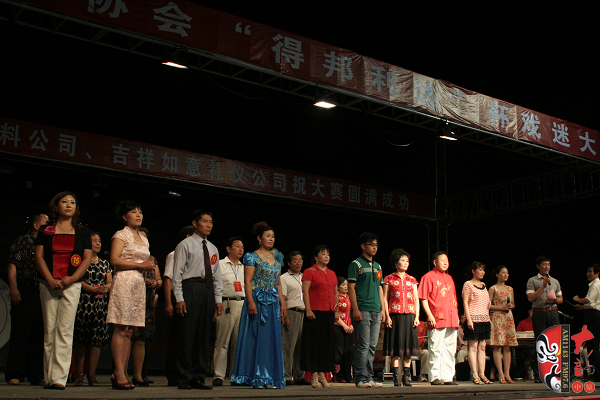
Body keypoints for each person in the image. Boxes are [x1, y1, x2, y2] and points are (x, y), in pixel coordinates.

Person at [34, 191, 92, 390]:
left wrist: (72, 279)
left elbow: (86, 259)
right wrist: (49, 279)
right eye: (64, 202)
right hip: (48, 283)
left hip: (71, 284)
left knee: (65, 330)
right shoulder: (46, 230)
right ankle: (48, 376)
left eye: (72, 202)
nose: (69, 205)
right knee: (49, 330)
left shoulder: (83, 231)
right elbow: (39, 257)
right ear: (56, 206)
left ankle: (59, 378)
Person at [171, 210, 223, 390]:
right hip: (190, 287)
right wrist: (179, 298)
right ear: (195, 223)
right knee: (187, 334)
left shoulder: (213, 248)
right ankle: (183, 377)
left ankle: (199, 376)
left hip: (207, 290)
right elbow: (176, 274)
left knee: (203, 335)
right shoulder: (185, 245)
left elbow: (217, 276)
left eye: (211, 222)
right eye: (205, 221)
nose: (209, 225)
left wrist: (218, 299)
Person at [231, 221, 286, 389]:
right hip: (257, 300)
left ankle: (269, 377)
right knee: (256, 337)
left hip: (272, 303)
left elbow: (278, 283)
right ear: (259, 238)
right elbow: (247, 281)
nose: (271, 239)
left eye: (273, 236)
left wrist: (282, 303)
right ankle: (255, 375)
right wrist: (250, 302)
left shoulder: (277, 257)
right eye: (267, 236)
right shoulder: (252, 257)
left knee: (270, 340)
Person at [107, 200, 154, 390]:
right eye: (133, 212)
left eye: (140, 211)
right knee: (120, 328)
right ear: (124, 216)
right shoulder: (120, 235)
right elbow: (114, 259)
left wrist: (146, 268)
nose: (138, 215)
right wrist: (139, 265)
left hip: (138, 285)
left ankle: (122, 372)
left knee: (129, 331)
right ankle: (119, 372)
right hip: (124, 282)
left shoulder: (143, 237)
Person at [5, 213, 48, 386]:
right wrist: (14, 288)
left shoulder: (46, 244)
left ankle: (35, 374)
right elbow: (12, 265)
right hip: (25, 289)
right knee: (20, 332)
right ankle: (14, 373)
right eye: (45, 223)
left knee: (38, 333)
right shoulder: (22, 241)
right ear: (36, 225)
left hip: (42, 289)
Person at [72, 232, 112, 386]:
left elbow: (110, 281)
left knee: (96, 340)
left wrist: (105, 288)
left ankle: (92, 375)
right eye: (94, 241)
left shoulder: (105, 263)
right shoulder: (82, 261)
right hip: (84, 303)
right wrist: (92, 289)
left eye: (99, 241)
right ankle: (79, 374)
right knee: (81, 340)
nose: (97, 243)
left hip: (100, 305)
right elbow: (78, 279)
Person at [348, 232, 385, 388]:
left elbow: (380, 288)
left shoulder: (378, 266)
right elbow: (351, 287)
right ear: (363, 246)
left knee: (372, 346)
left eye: (376, 245)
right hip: (362, 309)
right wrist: (355, 309)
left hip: (376, 309)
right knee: (363, 345)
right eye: (371, 244)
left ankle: (369, 377)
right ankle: (360, 378)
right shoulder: (356, 264)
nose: (375, 248)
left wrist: (383, 309)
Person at [418, 251, 459, 386]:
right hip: (437, 317)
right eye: (442, 260)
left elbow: (454, 299)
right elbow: (423, 298)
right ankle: (435, 376)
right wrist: (429, 315)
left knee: (450, 348)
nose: (446, 263)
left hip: (451, 317)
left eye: (447, 260)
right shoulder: (427, 277)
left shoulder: (449, 278)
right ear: (435, 262)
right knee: (435, 348)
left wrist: (456, 316)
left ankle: (447, 376)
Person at [301, 245, 338, 388]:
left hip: (329, 311)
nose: (326, 256)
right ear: (316, 257)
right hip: (315, 311)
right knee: (313, 344)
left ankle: (323, 374)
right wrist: (308, 309)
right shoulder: (309, 271)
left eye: (328, 254)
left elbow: (335, 293)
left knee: (326, 344)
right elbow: (305, 291)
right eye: (323, 254)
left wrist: (336, 311)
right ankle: (314, 375)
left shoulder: (332, 273)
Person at [382, 248, 420, 387]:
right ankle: (396, 377)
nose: (405, 263)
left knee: (408, 347)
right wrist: (387, 316)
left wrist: (417, 316)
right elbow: (385, 298)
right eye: (402, 260)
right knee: (395, 347)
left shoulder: (412, 279)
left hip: (409, 315)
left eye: (407, 261)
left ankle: (407, 376)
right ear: (396, 263)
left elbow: (416, 299)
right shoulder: (389, 278)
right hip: (395, 315)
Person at [163, 225, 194, 386]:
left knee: (188, 338)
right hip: (177, 299)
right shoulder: (174, 254)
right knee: (177, 338)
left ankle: (187, 373)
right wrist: (169, 302)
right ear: (188, 236)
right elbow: (168, 279)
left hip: (190, 298)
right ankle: (173, 374)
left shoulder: (196, 256)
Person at [212, 236, 245, 386]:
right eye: (237, 246)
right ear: (228, 249)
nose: (240, 249)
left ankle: (235, 375)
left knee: (239, 342)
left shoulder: (244, 267)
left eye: (242, 247)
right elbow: (214, 285)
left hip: (242, 304)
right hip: (226, 304)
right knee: (223, 342)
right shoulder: (220, 264)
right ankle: (219, 375)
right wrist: (217, 303)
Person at [526, 255, 563, 382]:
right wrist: (542, 286)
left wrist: (555, 299)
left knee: (554, 343)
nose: (546, 267)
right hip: (539, 313)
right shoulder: (532, 281)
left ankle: (555, 372)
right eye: (544, 264)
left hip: (553, 312)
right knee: (541, 343)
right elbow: (530, 298)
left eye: (548, 264)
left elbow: (561, 299)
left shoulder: (555, 281)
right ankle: (539, 374)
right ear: (538, 266)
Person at [129, 248, 162, 387]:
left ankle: (138, 376)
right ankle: (121, 373)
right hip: (132, 299)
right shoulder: (130, 256)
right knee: (127, 337)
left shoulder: (152, 259)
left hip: (148, 303)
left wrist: (155, 283)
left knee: (141, 338)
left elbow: (159, 280)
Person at [462, 261, 492, 385]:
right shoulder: (468, 284)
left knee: (482, 347)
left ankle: (482, 373)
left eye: (483, 270)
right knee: (473, 346)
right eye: (480, 269)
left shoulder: (484, 285)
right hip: (473, 318)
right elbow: (465, 302)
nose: (482, 272)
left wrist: (489, 319)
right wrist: (468, 319)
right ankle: (474, 374)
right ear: (473, 271)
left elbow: (486, 305)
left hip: (484, 318)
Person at [280, 251, 308, 385]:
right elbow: (283, 298)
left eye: (300, 260)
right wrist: (285, 316)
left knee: (301, 347)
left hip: (304, 312)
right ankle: (286, 375)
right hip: (291, 312)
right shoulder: (284, 278)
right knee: (288, 346)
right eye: (295, 260)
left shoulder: (305, 277)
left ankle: (299, 375)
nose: (298, 263)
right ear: (289, 263)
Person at [488, 265, 518, 384]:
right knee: (498, 346)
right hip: (497, 318)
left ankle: (507, 373)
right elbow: (488, 305)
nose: (506, 275)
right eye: (503, 273)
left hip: (508, 317)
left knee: (507, 346)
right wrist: (501, 307)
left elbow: (513, 304)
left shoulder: (510, 289)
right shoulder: (493, 288)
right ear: (497, 275)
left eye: (507, 273)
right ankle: (500, 373)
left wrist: (511, 306)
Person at [573, 264, 600, 381]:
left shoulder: (596, 285)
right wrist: (582, 307)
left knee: (593, 345)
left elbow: (588, 300)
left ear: (597, 273)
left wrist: (577, 299)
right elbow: (592, 304)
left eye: (590, 271)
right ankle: (595, 373)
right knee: (591, 345)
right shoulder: (594, 284)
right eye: (587, 271)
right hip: (592, 314)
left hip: (594, 316)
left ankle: (596, 374)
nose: (588, 274)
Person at [334, 275, 353, 383]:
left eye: (347, 284)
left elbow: (353, 313)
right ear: (337, 287)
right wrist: (344, 326)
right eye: (343, 285)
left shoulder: (350, 297)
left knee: (348, 352)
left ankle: (348, 375)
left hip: (349, 327)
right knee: (339, 352)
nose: (346, 286)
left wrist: (351, 325)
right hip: (338, 326)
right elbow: (335, 314)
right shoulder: (336, 297)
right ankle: (339, 376)